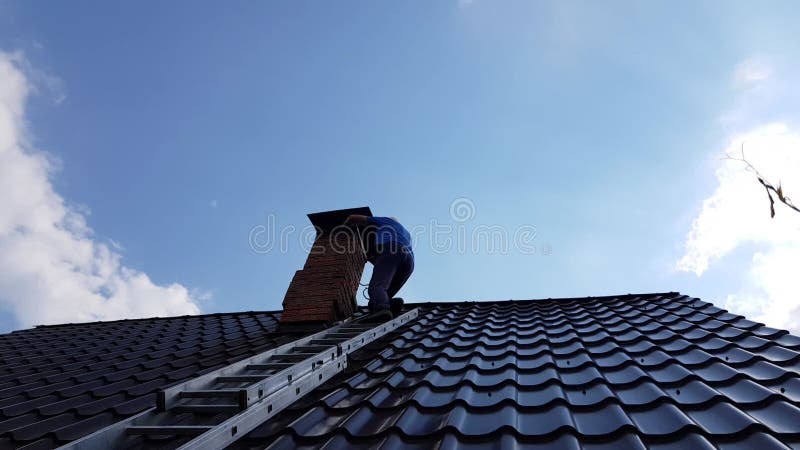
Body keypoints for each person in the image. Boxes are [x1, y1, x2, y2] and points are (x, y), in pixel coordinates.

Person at [345, 214, 414, 320]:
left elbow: (353, 218)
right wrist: (373, 259)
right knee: (382, 294)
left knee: (376, 286)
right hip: (409, 262)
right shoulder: (406, 233)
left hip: (392, 249)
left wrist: (344, 228)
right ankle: (392, 304)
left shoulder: (385, 220)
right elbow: (390, 263)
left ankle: (382, 310)